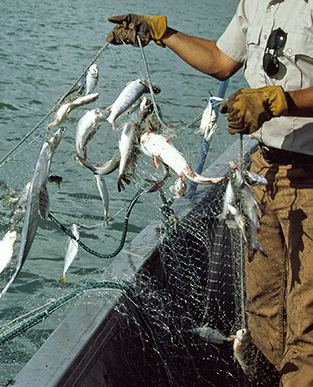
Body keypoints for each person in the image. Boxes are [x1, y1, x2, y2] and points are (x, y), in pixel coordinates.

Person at [106, 3, 313, 386]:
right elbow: (221, 60)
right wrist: (161, 33)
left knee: (307, 322)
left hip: (310, 180)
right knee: (263, 310)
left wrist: (280, 100)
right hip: (262, 173)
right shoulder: (255, 2)